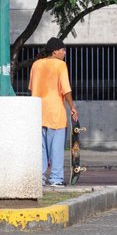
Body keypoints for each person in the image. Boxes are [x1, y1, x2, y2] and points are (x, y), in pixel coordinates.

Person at [29, 37, 78, 186]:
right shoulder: (60, 65)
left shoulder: (36, 65)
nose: (64, 53)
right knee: (56, 148)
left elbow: (32, 88)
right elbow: (66, 89)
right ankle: (56, 179)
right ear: (55, 51)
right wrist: (72, 107)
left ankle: (40, 178)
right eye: (63, 50)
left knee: (41, 148)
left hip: (38, 112)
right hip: (55, 113)